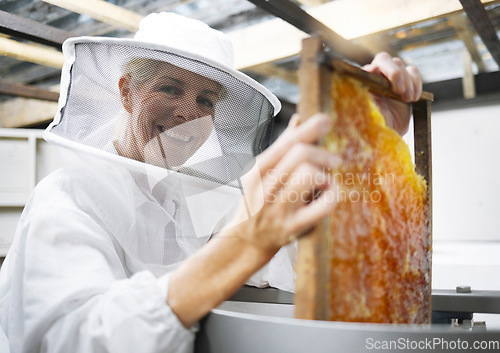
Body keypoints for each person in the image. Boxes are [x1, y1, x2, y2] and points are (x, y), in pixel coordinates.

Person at [0, 12, 422, 353]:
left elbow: (289, 254)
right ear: (126, 92)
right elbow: (73, 339)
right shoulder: (65, 201)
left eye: (206, 100)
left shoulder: (188, 200)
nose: (190, 113)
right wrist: (246, 242)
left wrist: (366, 128)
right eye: (170, 87)